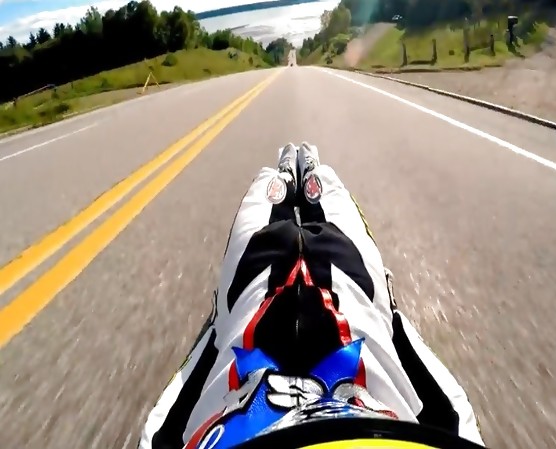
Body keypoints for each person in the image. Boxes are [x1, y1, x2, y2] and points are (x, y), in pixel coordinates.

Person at [138, 143, 486, 449]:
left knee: (269, 191)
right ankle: (309, 173)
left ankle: (288, 174)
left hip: (261, 282)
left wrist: (218, 328)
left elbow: (161, 427)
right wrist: (391, 319)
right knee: (324, 190)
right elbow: (453, 411)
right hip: (345, 284)